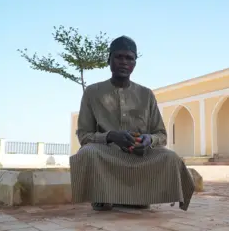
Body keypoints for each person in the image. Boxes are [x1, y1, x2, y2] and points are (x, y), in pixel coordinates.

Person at [70, 35, 195, 211]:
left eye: (129, 58)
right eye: (118, 57)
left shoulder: (146, 94)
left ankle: (140, 197)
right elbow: (84, 136)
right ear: (109, 60)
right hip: (108, 154)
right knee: (87, 153)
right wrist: (111, 136)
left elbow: (161, 134)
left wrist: (148, 141)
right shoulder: (92, 92)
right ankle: (102, 195)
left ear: (134, 63)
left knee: (170, 157)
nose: (123, 62)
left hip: (140, 155)